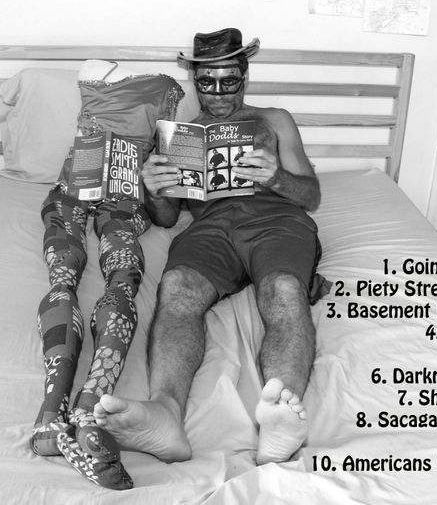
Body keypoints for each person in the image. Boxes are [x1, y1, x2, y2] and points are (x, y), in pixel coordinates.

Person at [93, 28, 328, 466]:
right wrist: (154, 190)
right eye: (207, 82)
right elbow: (166, 218)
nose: (218, 93)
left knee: (283, 289)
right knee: (177, 285)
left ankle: (280, 417)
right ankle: (165, 413)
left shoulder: (275, 119)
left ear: (245, 77)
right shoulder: (181, 135)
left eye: (229, 80)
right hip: (212, 226)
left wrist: (277, 177)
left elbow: (311, 196)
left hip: (276, 220)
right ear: (195, 81)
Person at [31, 63, 184, 490]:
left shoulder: (98, 75)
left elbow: (170, 211)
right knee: (121, 281)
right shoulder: (167, 94)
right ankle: (87, 410)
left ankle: (50, 418)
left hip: (80, 196)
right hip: (116, 203)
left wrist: (161, 181)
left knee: (65, 279)